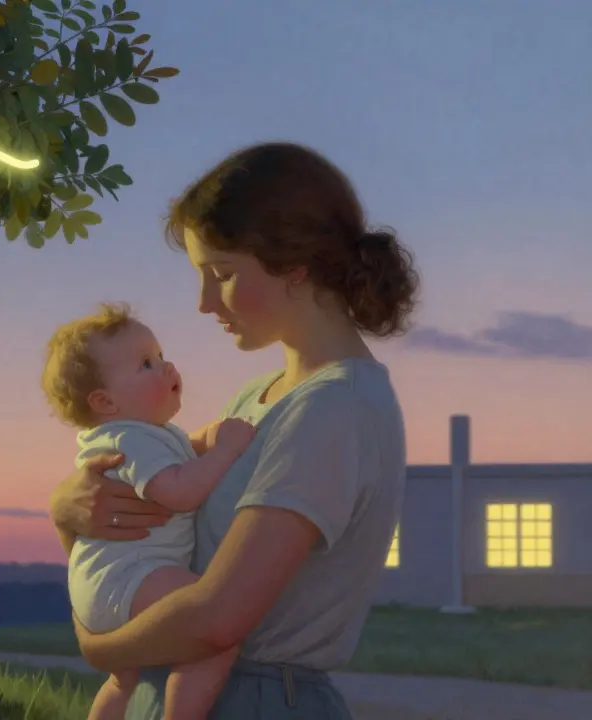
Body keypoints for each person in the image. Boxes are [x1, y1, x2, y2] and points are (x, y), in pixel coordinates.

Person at [47, 141, 418, 719]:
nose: (202, 303)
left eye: (221, 274)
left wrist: (100, 648)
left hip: (253, 700)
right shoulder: (259, 398)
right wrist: (75, 515)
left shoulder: (336, 410)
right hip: (180, 687)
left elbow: (219, 618)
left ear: (295, 264)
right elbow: (159, 532)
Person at [41, 302, 259, 719]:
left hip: (106, 581)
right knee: (211, 639)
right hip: (131, 578)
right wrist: (227, 449)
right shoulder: (131, 441)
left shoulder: (141, 435)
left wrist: (208, 438)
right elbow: (179, 491)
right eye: (146, 365)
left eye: (160, 356)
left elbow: (181, 451)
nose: (167, 367)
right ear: (105, 401)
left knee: (125, 679)